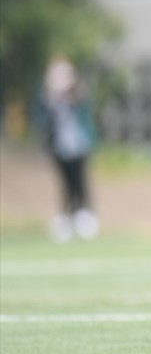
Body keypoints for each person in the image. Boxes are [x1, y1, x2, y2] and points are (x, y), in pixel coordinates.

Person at [36, 56, 100, 242]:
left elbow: (86, 117)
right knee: (65, 183)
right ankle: (66, 218)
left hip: (79, 146)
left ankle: (84, 217)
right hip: (60, 147)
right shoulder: (48, 99)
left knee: (80, 181)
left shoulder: (78, 96)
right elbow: (42, 119)